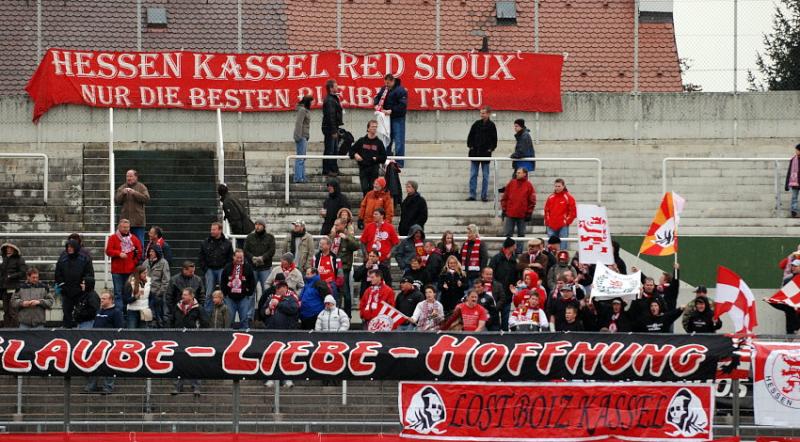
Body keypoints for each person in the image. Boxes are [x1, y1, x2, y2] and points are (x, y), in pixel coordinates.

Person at [85, 290, 123, 394]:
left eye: (104, 298)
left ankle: (108, 387)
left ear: (111, 300)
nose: (101, 300)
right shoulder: (99, 311)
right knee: (93, 364)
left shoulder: (116, 312)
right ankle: (91, 386)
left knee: (109, 366)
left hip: (109, 344)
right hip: (96, 344)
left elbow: (119, 329)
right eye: (101, 298)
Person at [264, 280, 300, 388]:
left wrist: (278, 304)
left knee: (287, 357)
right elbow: (263, 313)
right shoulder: (270, 298)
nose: (281, 289)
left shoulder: (291, 298)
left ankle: (287, 379)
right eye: (279, 288)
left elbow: (294, 309)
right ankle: (271, 378)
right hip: (272, 333)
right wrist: (268, 309)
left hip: (287, 334)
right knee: (272, 357)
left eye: (283, 287)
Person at [172, 288, 208, 396]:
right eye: (182, 294)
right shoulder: (177, 307)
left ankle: (196, 387)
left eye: (185, 295)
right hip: (179, 339)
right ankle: (177, 387)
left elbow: (205, 323)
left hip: (194, 340)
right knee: (179, 363)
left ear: (192, 296)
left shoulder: (199, 309)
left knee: (195, 364)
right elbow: (172, 321)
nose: (183, 296)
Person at [106, 219, 142, 315]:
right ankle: (119, 314)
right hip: (117, 271)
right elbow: (108, 251)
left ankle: (127, 314)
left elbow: (139, 252)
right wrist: (118, 254)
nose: (126, 229)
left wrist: (133, 262)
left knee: (128, 293)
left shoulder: (134, 239)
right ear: (119, 227)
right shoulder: (113, 238)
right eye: (124, 227)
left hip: (130, 271)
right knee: (118, 293)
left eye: (127, 227)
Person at [56, 239, 95, 328]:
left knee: (80, 313)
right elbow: (58, 274)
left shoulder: (84, 259)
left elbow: (89, 274)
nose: (69, 249)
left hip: (80, 292)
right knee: (66, 312)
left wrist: (83, 286)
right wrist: (63, 286)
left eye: (71, 247)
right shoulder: (62, 259)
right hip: (66, 291)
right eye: (68, 247)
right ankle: (66, 330)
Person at [198, 222, 233, 311]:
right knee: (209, 293)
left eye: (214, 229)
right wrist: (205, 269)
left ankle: (225, 313)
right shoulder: (205, 242)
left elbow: (230, 259)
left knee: (224, 292)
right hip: (209, 270)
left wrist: (226, 270)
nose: (211, 231)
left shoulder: (227, 243)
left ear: (220, 230)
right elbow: (201, 257)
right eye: (211, 229)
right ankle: (207, 315)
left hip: (222, 269)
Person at [374, 73, 408, 166]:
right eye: (385, 83)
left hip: (397, 118)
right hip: (386, 119)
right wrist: (376, 104)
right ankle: (387, 161)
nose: (387, 85)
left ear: (393, 81)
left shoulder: (401, 91)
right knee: (387, 138)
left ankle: (399, 163)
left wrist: (391, 111)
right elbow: (377, 97)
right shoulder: (384, 89)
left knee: (399, 141)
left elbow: (402, 105)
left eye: (388, 83)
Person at [466, 106, 497, 202]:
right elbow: (470, 137)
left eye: (483, 113)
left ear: (488, 114)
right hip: (475, 153)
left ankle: (484, 196)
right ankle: (472, 195)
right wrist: (470, 146)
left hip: (485, 154)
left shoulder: (492, 125)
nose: (481, 114)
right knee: (473, 175)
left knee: (485, 176)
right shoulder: (476, 124)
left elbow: (494, 140)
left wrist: (490, 149)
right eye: (481, 113)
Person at [220, 249, 256, 329]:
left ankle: (245, 338)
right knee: (229, 320)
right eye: (237, 257)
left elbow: (252, 282)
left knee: (244, 320)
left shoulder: (248, 267)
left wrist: (248, 293)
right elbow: (222, 281)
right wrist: (225, 293)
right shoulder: (227, 267)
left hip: (243, 298)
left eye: (241, 257)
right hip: (230, 298)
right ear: (233, 257)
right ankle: (226, 338)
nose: (239, 259)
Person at [350, 120, 387, 196]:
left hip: (374, 169)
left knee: (371, 189)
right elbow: (351, 150)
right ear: (368, 128)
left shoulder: (379, 142)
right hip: (363, 168)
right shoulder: (362, 140)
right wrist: (355, 155)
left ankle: (370, 205)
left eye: (376, 127)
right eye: (373, 126)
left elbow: (384, 157)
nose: (374, 128)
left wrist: (376, 158)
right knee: (364, 188)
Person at [330, 217, 359, 315]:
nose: (335, 227)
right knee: (334, 292)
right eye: (334, 225)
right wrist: (332, 236)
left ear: (343, 225)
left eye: (337, 225)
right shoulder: (333, 235)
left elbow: (356, 246)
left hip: (344, 268)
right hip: (333, 268)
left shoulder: (348, 235)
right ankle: (335, 313)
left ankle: (348, 314)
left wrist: (347, 238)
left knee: (346, 293)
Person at [114, 169, 150, 247]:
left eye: (131, 176)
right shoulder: (122, 188)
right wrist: (122, 194)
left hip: (138, 222)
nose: (128, 178)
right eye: (127, 176)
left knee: (139, 243)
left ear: (136, 177)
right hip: (125, 223)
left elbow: (146, 199)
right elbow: (117, 200)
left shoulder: (141, 187)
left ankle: (139, 259)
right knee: (124, 244)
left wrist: (135, 193)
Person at [489, 237, 519, 331]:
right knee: (495, 316)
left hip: (508, 293)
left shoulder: (514, 260)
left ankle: (505, 335)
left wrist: (516, 283)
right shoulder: (496, 259)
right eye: (514, 245)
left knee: (506, 316)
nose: (515, 247)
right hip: (496, 293)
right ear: (509, 247)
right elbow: (490, 274)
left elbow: (516, 274)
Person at [244, 218, 276, 299]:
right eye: (256, 224)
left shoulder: (270, 237)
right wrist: (252, 257)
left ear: (264, 226)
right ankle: (250, 312)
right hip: (252, 268)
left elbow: (272, 251)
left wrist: (263, 258)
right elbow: (245, 250)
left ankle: (265, 310)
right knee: (251, 292)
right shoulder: (249, 237)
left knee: (266, 291)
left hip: (265, 268)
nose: (257, 226)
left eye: (260, 224)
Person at [501, 168, 536, 239]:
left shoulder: (529, 185)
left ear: (524, 174)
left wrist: (529, 213)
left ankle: (519, 250)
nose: (517, 174)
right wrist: (504, 209)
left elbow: (532, 200)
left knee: (521, 235)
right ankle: (507, 250)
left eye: (519, 172)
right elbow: (505, 197)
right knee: (507, 234)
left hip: (522, 214)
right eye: (517, 172)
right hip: (510, 213)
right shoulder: (511, 183)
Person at [167, 261, 205, 325]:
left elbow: (202, 295)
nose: (193, 273)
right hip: (178, 311)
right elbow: (169, 296)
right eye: (191, 272)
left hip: (194, 311)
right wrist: (174, 310)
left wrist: (199, 309)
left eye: (193, 271)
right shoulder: (174, 280)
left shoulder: (198, 280)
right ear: (184, 270)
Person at [544, 178, 577, 243]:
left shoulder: (569, 197)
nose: (557, 188)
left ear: (563, 186)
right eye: (556, 186)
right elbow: (546, 210)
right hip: (551, 225)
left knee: (563, 245)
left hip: (563, 225)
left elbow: (573, 212)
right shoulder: (551, 197)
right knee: (551, 246)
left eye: (559, 186)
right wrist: (548, 221)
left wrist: (566, 221)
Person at [0, 242, 26, 328]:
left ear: (14, 249)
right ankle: (6, 331)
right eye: (7, 248)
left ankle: (15, 331)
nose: (8, 249)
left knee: (13, 311)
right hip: (4, 288)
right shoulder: (3, 259)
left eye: (10, 248)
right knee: (6, 310)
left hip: (14, 288)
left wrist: (11, 276)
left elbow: (23, 272)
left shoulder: (19, 259)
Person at [145, 244, 170, 328]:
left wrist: (160, 292)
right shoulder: (146, 262)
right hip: (147, 292)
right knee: (149, 312)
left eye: (153, 251)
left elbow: (166, 280)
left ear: (157, 252)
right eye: (150, 251)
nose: (151, 253)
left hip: (157, 292)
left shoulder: (163, 263)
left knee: (158, 312)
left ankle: (160, 325)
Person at [321, 79, 343, 177]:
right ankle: (327, 170)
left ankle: (334, 169)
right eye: (336, 86)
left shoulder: (333, 98)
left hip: (333, 127)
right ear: (331, 88)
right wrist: (334, 130)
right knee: (329, 150)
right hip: (330, 129)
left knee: (334, 150)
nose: (337, 87)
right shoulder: (329, 100)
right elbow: (331, 116)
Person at [293, 94, 312, 183]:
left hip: (304, 136)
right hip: (301, 136)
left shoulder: (305, 110)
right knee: (300, 158)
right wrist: (298, 136)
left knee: (302, 158)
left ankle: (302, 177)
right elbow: (298, 124)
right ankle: (298, 177)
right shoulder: (302, 110)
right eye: (312, 101)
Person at [786, 143, 800, 217]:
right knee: (794, 197)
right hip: (795, 182)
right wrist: (786, 184)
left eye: (797, 150)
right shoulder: (793, 159)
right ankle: (794, 211)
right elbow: (789, 171)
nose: (796, 151)